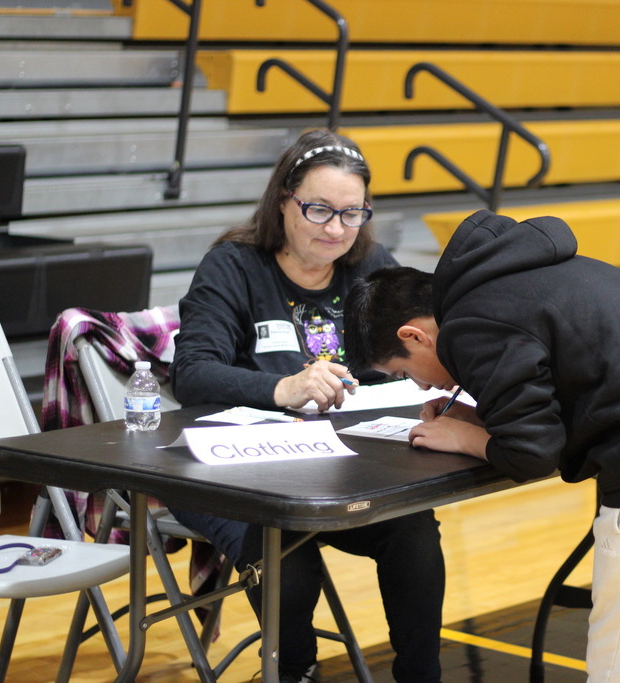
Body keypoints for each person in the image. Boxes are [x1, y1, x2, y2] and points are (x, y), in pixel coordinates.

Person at [343, 209, 620, 682]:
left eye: (405, 372)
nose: (421, 389)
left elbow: (531, 454)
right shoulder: (524, 272)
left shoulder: (470, 321)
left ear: (414, 335)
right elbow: (567, 377)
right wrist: (485, 417)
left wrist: (467, 436)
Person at [168, 129, 445, 683]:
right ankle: (293, 671)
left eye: (352, 213)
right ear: (282, 201)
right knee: (289, 568)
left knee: (412, 531)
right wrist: (281, 389)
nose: (336, 229)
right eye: (318, 210)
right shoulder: (234, 266)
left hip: (334, 467)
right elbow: (191, 373)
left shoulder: (370, 267)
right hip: (229, 470)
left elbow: (414, 345)